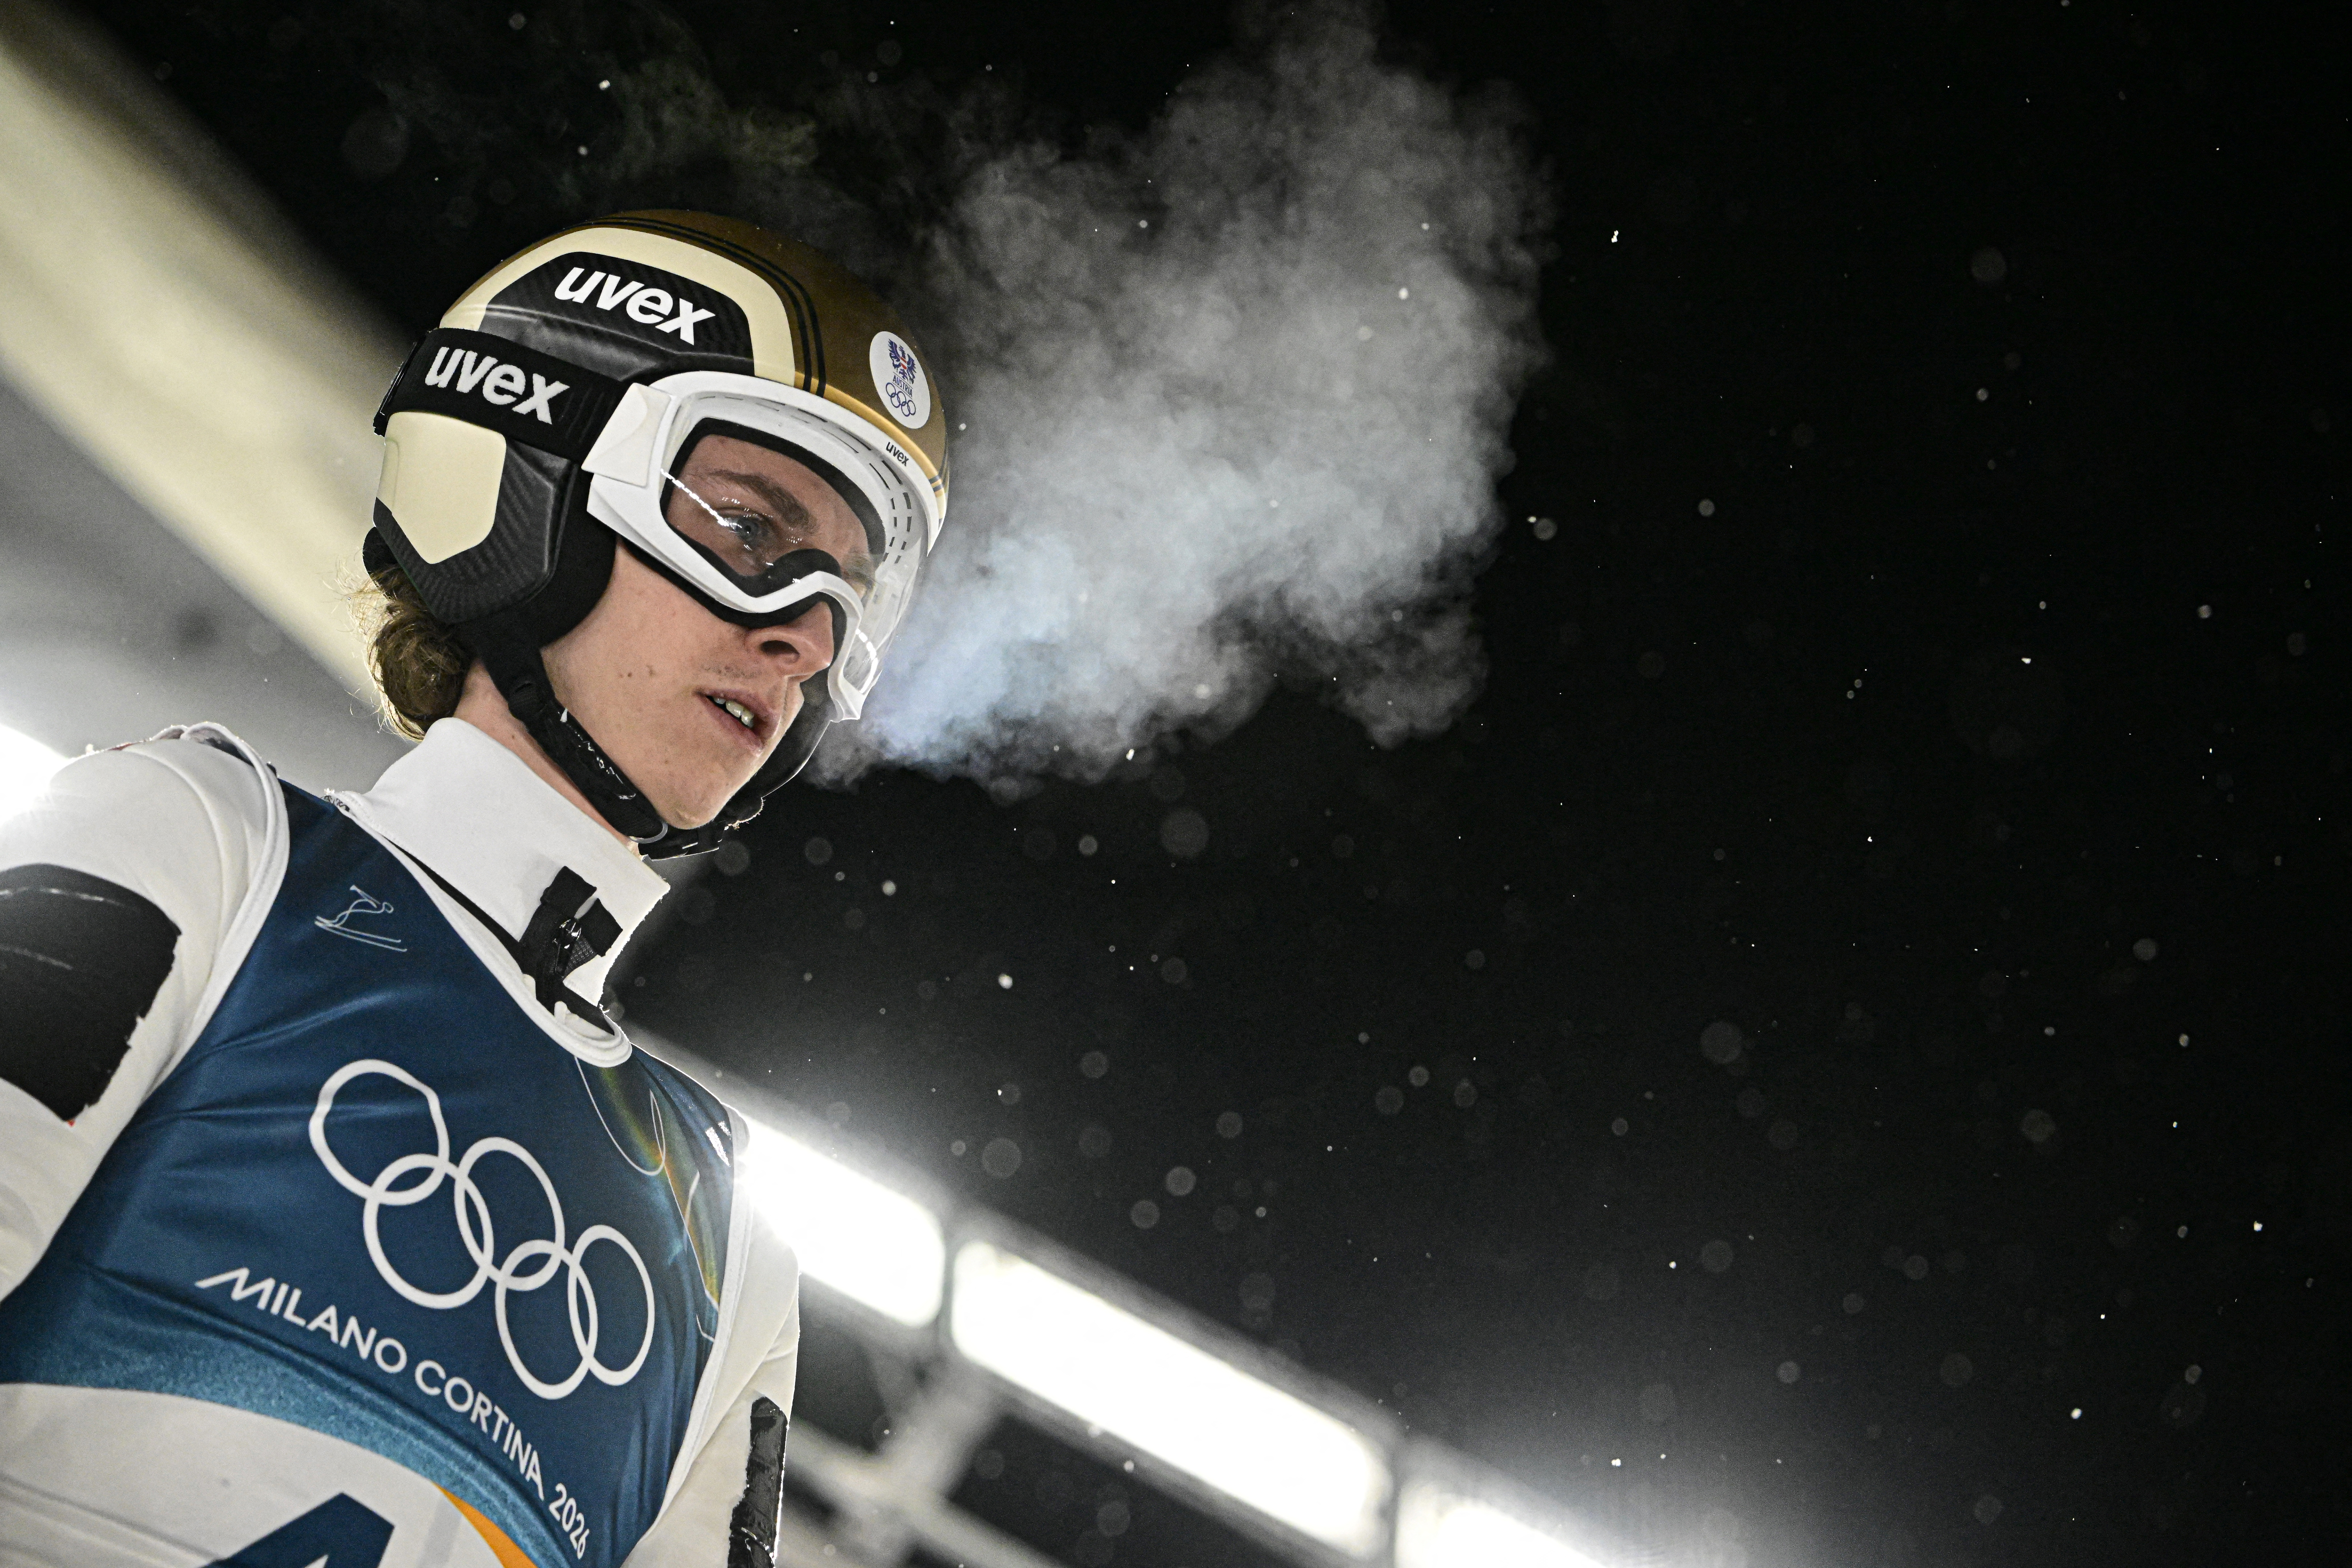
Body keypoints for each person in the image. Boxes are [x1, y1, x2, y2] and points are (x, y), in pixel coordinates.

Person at [0, 211, 949, 1568]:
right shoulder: (200, 842)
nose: (806, 629)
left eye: (851, 601)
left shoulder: (736, 1251)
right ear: (528, 475)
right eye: (750, 527)